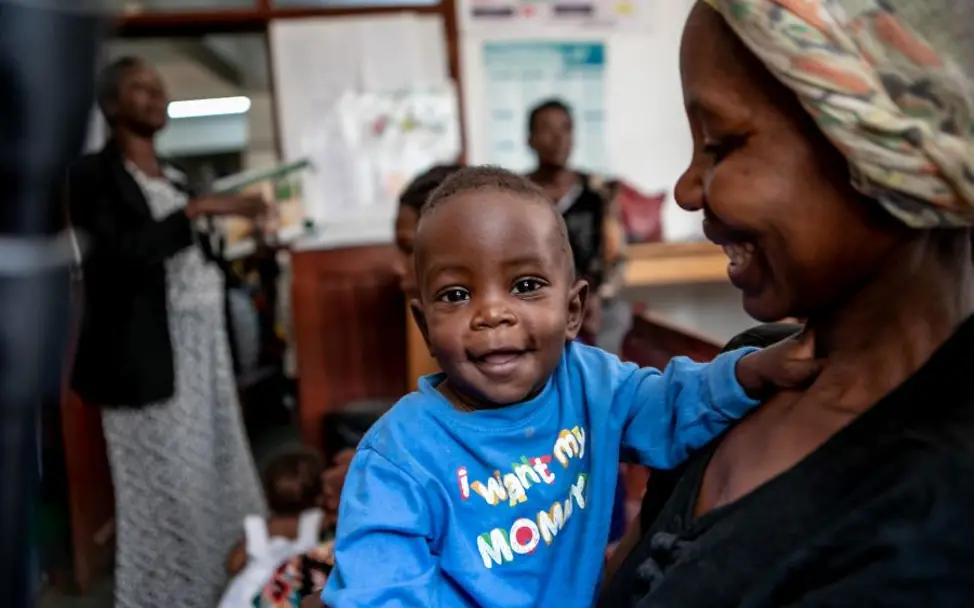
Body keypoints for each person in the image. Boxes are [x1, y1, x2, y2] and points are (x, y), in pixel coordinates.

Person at [599, 1, 974, 605]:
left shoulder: (937, 512)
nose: (686, 189)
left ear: (885, 148)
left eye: (722, 143)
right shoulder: (752, 373)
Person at [320, 166, 819, 608]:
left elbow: (673, 404)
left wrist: (752, 371)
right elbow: (378, 592)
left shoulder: (592, 385)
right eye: (456, 294)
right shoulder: (398, 456)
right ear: (425, 326)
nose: (493, 312)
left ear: (573, 311)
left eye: (526, 285)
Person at [65, 56, 266, 607]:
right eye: (139, 88)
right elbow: (117, 256)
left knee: (217, 467)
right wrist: (196, 210)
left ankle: (228, 585)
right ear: (110, 104)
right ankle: (166, 595)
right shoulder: (91, 177)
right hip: (144, 355)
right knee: (167, 490)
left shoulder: (176, 175)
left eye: (160, 86)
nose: (156, 96)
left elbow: (195, 258)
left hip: (206, 352)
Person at [526, 99, 629, 353]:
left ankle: (601, 387)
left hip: (590, 295)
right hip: (531, 296)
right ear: (530, 139)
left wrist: (593, 293)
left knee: (615, 316)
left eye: (566, 129)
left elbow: (614, 257)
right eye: (547, 129)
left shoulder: (596, 192)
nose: (558, 138)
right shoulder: (517, 194)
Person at [222, 450, 335, 607]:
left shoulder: (259, 529)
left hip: (247, 596)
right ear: (319, 494)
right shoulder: (315, 521)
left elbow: (233, 565)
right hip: (288, 593)